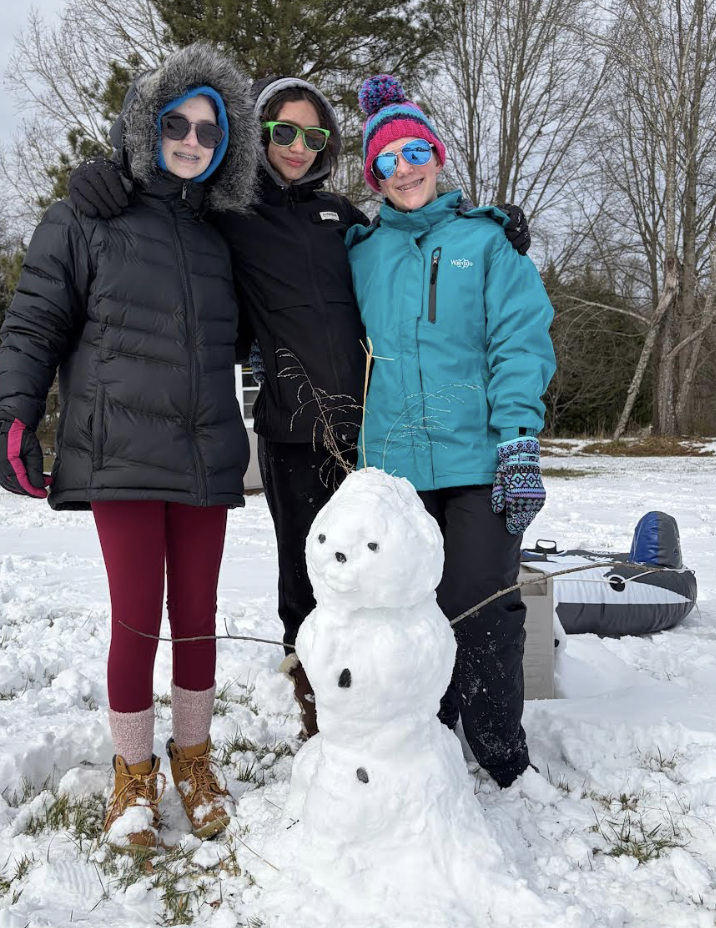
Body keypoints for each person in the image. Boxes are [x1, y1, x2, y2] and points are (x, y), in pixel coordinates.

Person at [66, 73, 532, 741]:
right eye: (281, 131)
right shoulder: (223, 216)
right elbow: (158, 201)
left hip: (375, 440)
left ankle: (409, 707)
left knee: (395, 578)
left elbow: (412, 242)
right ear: (256, 135)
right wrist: (103, 175)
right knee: (309, 583)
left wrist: (495, 219)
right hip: (292, 434)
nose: (296, 147)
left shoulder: (344, 221)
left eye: (312, 136)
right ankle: (326, 722)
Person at [0, 43, 259, 852]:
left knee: (199, 619)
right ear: (146, 126)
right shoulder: (90, 210)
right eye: (174, 122)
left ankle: (193, 757)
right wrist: (13, 414)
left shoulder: (225, 233)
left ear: (228, 146)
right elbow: (35, 317)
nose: (190, 139)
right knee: (137, 620)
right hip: (119, 446)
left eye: (207, 131)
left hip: (206, 447)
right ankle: (132, 773)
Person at [345, 75, 556, 788]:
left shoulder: (487, 244)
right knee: (407, 611)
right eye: (385, 161)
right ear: (372, 175)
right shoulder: (360, 253)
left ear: (436, 155)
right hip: (394, 471)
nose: (402, 169)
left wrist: (519, 440)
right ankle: (427, 742)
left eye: (413, 152)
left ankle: (500, 752)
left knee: (480, 604)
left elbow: (520, 341)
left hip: (476, 460)